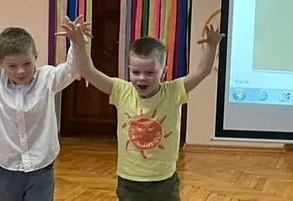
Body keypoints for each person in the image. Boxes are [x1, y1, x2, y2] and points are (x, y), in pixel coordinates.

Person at [64, 23, 224, 201]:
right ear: (129, 70)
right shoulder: (121, 91)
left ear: (163, 72)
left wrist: (211, 46)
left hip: (164, 180)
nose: (141, 78)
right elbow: (88, 71)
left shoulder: (173, 92)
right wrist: (78, 44)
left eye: (149, 73)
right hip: (129, 180)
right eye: (136, 72)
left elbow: (203, 70)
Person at [0, 18, 88, 201]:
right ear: (0, 63)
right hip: (6, 169)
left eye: (27, 63)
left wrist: (77, 43)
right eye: (12, 66)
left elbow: (73, 68)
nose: (21, 71)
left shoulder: (47, 79)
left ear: (35, 57)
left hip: (41, 168)